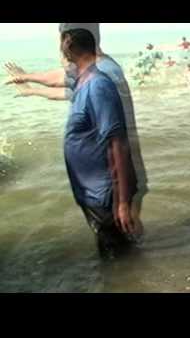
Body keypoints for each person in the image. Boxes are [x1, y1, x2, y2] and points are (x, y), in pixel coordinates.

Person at [4, 23, 147, 247]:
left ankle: (137, 276)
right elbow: (65, 86)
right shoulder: (87, 75)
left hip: (109, 186)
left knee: (121, 245)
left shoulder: (102, 76)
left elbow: (117, 143)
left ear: (69, 43)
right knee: (119, 244)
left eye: (60, 40)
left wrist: (121, 200)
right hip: (99, 188)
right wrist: (31, 85)